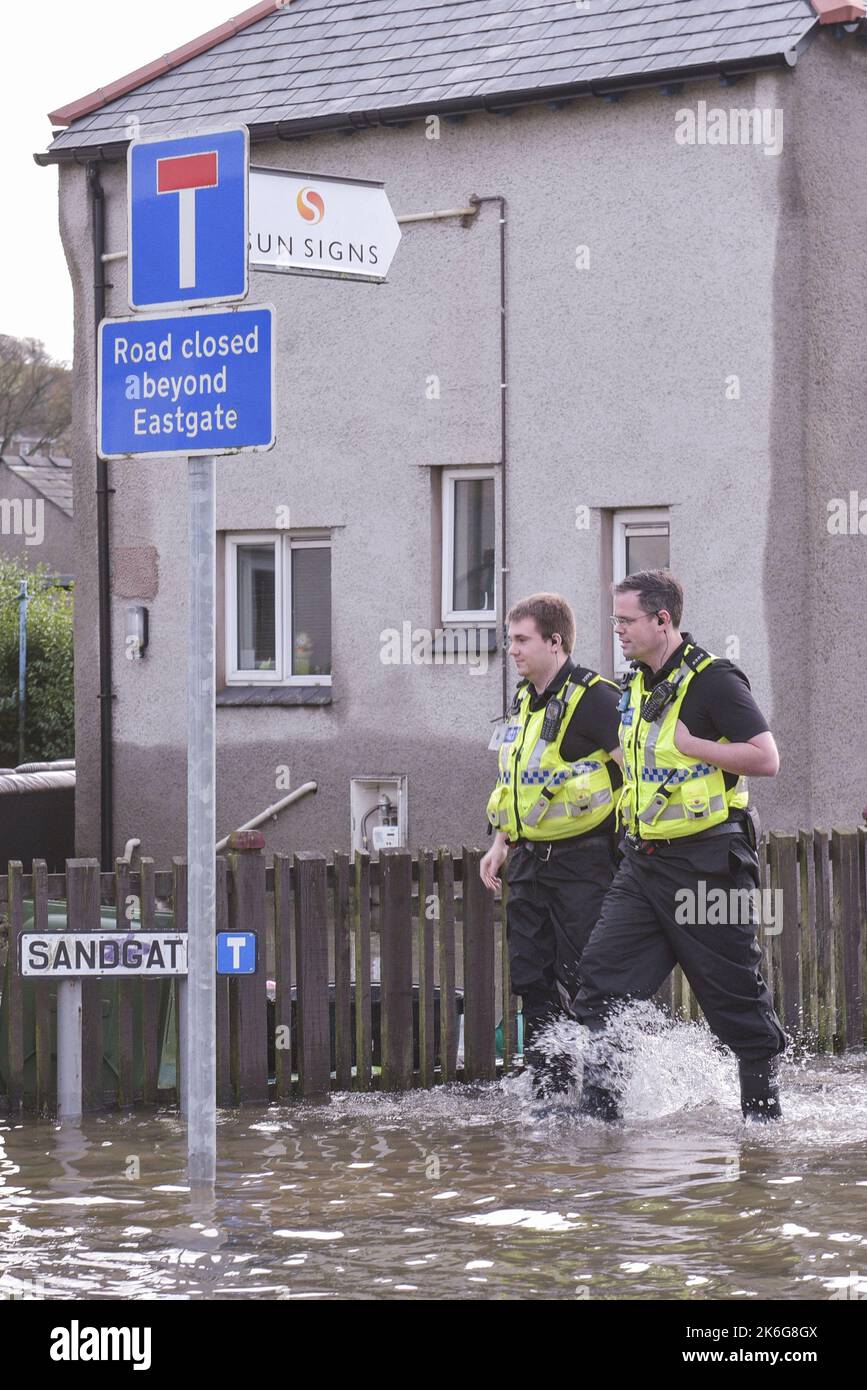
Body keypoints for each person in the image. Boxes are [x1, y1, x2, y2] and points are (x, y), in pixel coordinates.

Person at [572, 569, 786, 1122]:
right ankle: (602, 1121)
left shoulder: (714, 681)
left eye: (627, 620)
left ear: (662, 620)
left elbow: (766, 758)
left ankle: (762, 1128)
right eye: (615, 618)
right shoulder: (637, 684)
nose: (616, 629)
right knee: (599, 985)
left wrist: (697, 747)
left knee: (736, 998)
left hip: (709, 863)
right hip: (642, 864)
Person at [480, 593, 622, 1101]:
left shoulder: (597, 698)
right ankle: (551, 1095)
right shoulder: (524, 701)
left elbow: (636, 774)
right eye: (510, 639)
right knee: (533, 980)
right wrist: (500, 843)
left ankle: (608, 1098)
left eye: (521, 640)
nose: (511, 650)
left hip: (586, 863)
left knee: (593, 980)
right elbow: (519, 782)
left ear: (555, 642)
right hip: (528, 864)